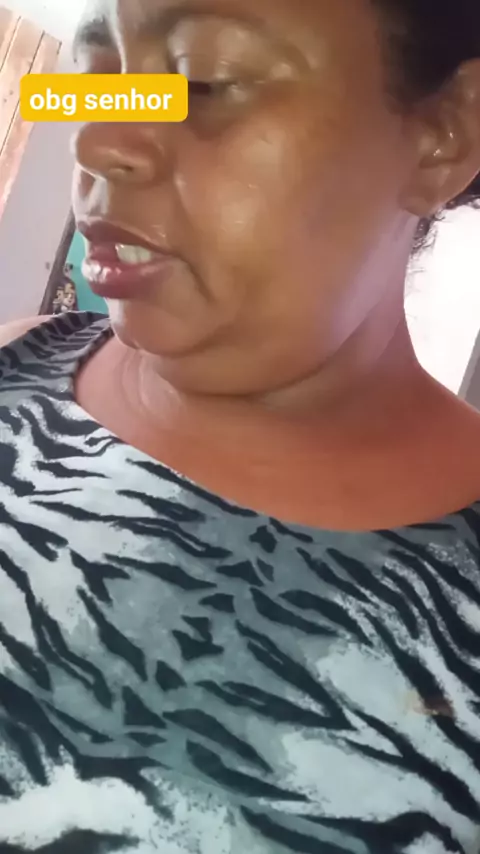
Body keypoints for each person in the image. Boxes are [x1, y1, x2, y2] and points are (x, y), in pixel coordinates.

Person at [0, 0, 479, 851]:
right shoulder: (14, 366)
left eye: (204, 82)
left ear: (446, 134)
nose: (98, 141)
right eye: (101, 82)